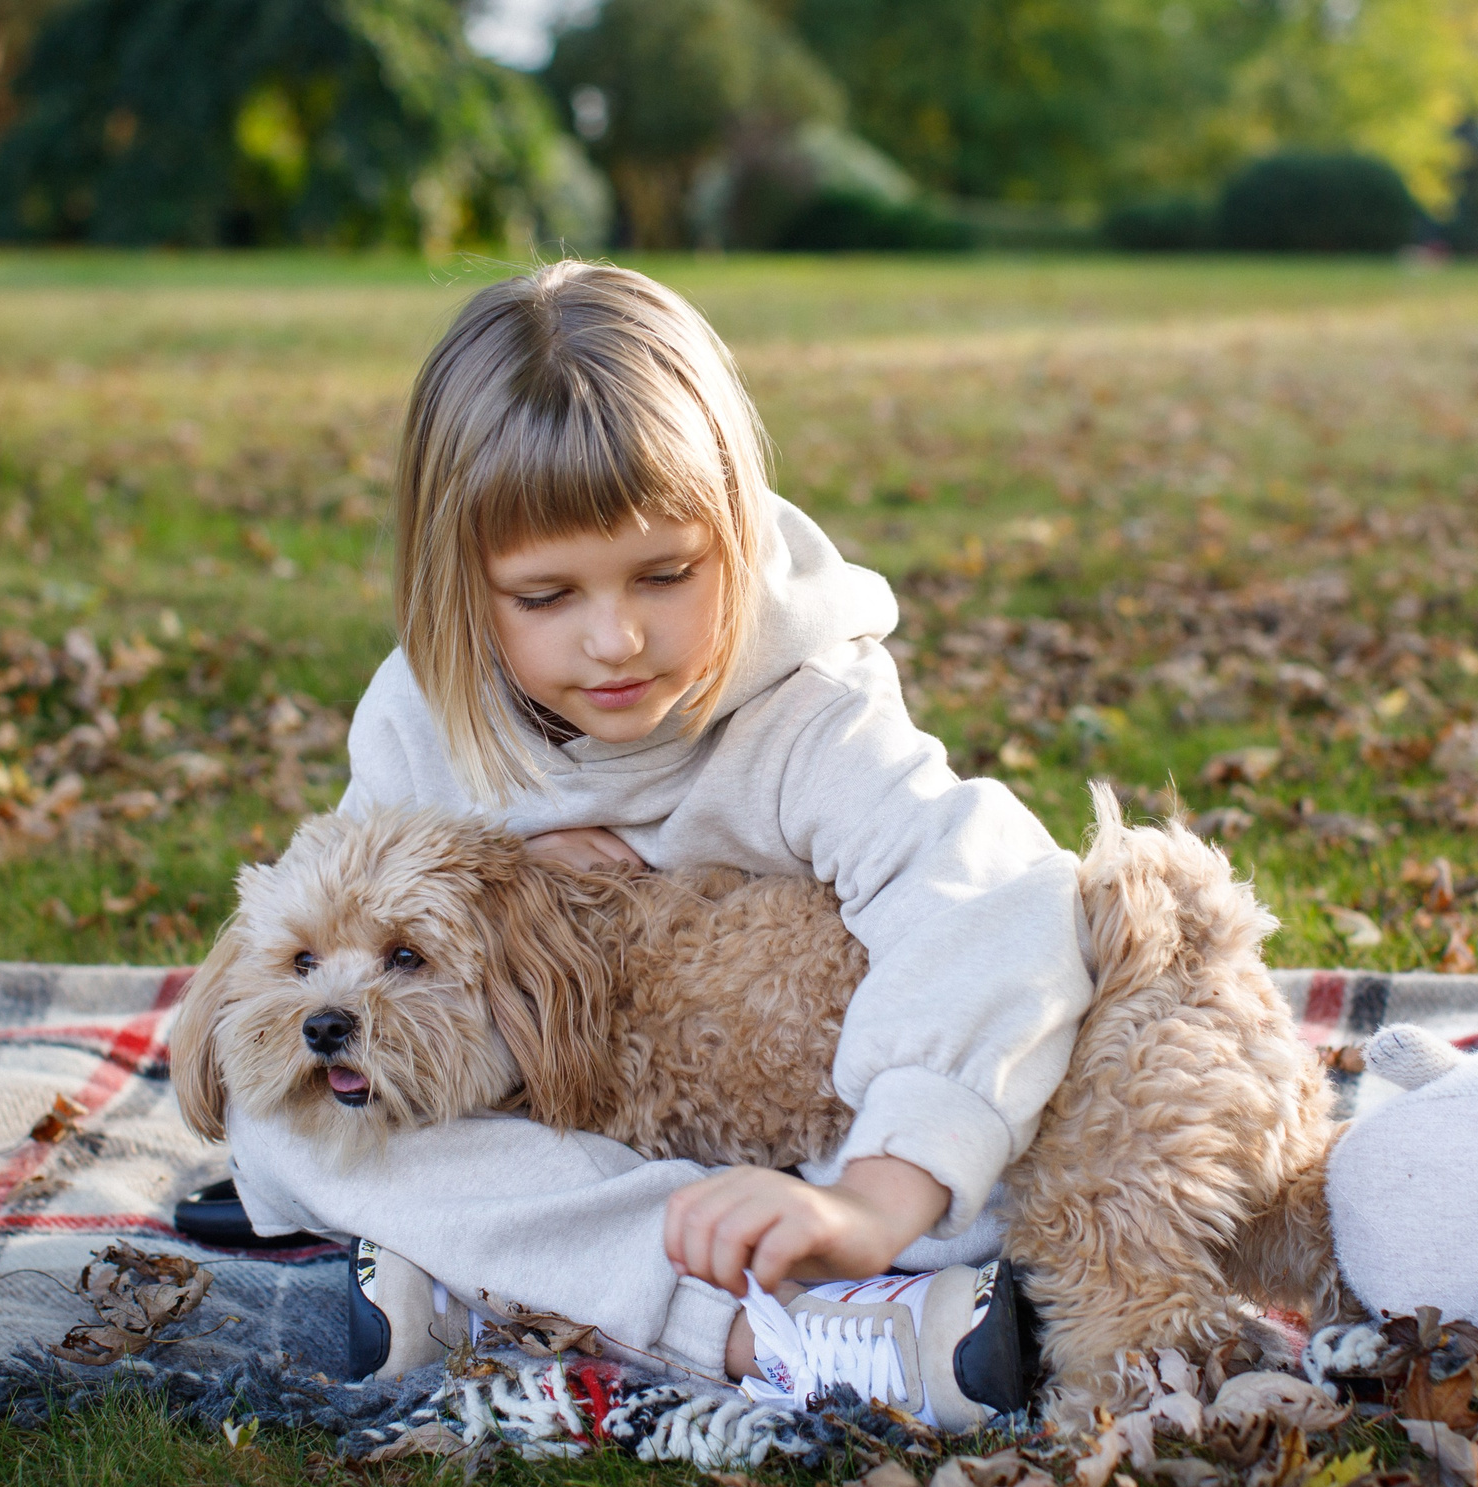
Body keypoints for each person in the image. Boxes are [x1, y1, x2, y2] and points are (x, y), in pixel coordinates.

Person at [216, 261, 1090, 1428]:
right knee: (282, 1136)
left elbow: (997, 897)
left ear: (733, 531)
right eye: (544, 597)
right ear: (460, 591)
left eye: (667, 574)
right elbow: (342, 962)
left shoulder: (807, 719)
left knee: (1007, 1154)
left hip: (812, 1146)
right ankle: (770, 1330)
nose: (615, 638)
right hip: (559, 1140)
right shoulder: (424, 723)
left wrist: (880, 1194)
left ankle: (524, 1284)